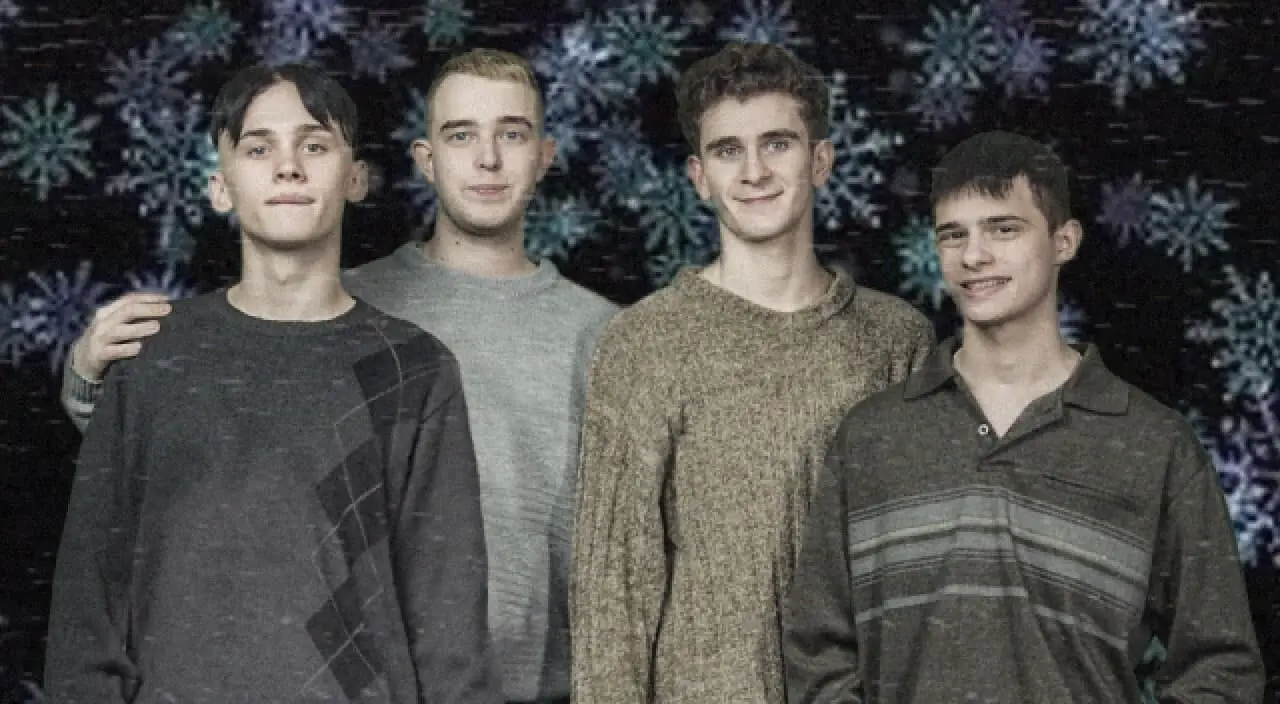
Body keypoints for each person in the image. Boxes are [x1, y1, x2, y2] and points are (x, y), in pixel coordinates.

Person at [58, 48, 617, 704]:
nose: (288, 167)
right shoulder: (179, 349)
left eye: (314, 146)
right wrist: (87, 376)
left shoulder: (440, 359)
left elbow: (473, 613)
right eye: (259, 148)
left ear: (356, 177)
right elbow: (147, 515)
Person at [780, 131, 1265, 703]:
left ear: (1064, 241)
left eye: (1003, 229)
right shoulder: (871, 438)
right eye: (953, 235)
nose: (973, 256)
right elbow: (818, 654)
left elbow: (1219, 668)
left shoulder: (1155, 445)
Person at [569, 42, 935, 704]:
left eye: (777, 144)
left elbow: (924, 572)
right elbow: (613, 591)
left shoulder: (895, 341)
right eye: (727, 150)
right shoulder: (645, 344)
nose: (754, 171)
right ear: (699, 176)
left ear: (820, 160)